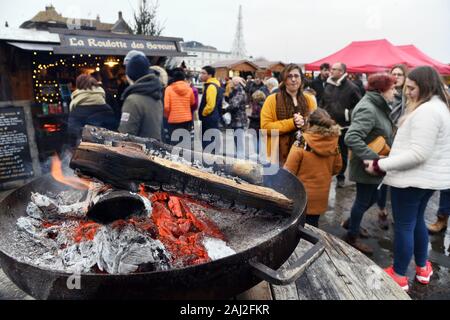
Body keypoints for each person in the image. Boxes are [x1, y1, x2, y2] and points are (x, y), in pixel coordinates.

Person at [364, 66, 450, 291]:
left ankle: (399, 274)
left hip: (412, 180)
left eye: (411, 88)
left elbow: (418, 153)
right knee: (416, 222)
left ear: (426, 86)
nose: (407, 92)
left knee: (404, 226)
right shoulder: (438, 107)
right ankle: (423, 268)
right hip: (426, 180)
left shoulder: (427, 111)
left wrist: (379, 164)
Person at [343, 73, 396, 254]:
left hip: (373, 163)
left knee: (372, 198)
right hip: (367, 165)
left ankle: (352, 223)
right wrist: (373, 157)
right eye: (392, 88)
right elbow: (351, 137)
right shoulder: (369, 108)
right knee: (363, 200)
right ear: (382, 90)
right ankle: (352, 235)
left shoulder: (377, 105)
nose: (395, 92)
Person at [284, 109, 342, 228]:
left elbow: (288, 172)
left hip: (300, 196)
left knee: (298, 230)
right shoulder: (334, 144)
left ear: (309, 124)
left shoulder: (302, 143)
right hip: (321, 197)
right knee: (313, 227)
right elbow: (337, 168)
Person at [260, 63, 317, 166]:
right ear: (284, 79)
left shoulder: (309, 100)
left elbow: (316, 126)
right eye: (289, 76)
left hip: (304, 155)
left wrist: (304, 122)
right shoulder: (272, 100)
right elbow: (265, 127)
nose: (293, 79)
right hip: (277, 157)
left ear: (301, 79)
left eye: (296, 76)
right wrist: (292, 123)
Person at [377, 64, 410, 230]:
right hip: (385, 142)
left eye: (400, 74)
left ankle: (400, 215)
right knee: (384, 179)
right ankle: (382, 211)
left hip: (403, 142)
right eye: (394, 74)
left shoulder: (409, 97)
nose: (396, 76)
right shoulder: (384, 94)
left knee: (400, 181)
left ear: (405, 78)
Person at [321, 62, 362, 188]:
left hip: (343, 127)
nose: (331, 71)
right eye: (331, 69)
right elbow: (323, 102)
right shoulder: (328, 85)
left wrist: (346, 114)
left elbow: (359, 106)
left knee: (342, 153)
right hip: (327, 126)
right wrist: (321, 115)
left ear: (342, 72)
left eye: (334, 69)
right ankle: (325, 175)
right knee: (325, 151)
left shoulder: (352, 87)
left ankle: (340, 177)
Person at [118, 54, 163, 140]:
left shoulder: (133, 100)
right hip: (153, 149)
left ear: (130, 74)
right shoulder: (156, 95)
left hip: (137, 151)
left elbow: (126, 134)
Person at [68, 74, 116, 147]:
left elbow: (72, 133)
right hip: (107, 151)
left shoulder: (77, 109)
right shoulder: (107, 107)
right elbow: (113, 129)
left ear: (78, 86)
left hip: (85, 151)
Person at [164, 68, 196, 145]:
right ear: (184, 79)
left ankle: (175, 156)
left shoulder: (168, 89)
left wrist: (167, 116)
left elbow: (166, 107)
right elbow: (193, 103)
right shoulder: (189, 89)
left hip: (173, 120)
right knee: (184, 140)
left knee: (174, 141)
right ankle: (183, 156)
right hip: (186, 119)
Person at [198, 65, 223, 151]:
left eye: (203, 73)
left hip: (209, 118)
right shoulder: (214, 85)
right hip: (213, 118)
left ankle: (209, 161)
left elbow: (210, 105)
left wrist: (203, 113)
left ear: (210, 75)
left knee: (208, 142)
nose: (201, 75)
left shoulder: (211, 86)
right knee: (212, 140)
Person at [227, 76, 248, 157]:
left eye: (232, 82)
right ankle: (239, 157)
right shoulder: (235, 91)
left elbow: (234, 105)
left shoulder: (240, 92)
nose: (230, 83)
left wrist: (226, 107)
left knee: (239, 141)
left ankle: (240, 159)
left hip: (239, 120)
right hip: (236, 120)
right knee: (237, 140)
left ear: (236, 83)